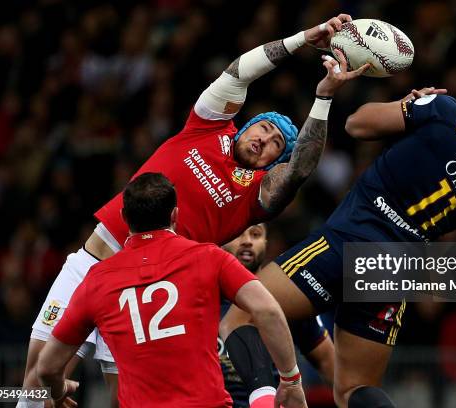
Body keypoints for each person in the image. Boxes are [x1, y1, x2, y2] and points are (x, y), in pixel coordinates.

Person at [21, 12, 369, 407]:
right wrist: (304, 38)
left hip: (144, 291)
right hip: (92, 263)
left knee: (128, 399)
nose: (265, 139)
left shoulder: (256, 194)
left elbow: (301, 167)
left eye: (275, 143)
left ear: (276, 160)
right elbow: (239, 72)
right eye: (263, 128)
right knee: (35, 380)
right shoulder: (207, 127)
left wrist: (323, 97)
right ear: (246, 125)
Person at [222, 88, 456, 407]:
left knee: (240, 315)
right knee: (352, 390)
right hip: (395, 271)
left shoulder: (452, 114)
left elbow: (357, 123)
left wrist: (410, 101)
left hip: (348, 240)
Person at [36, 172, 306, 408]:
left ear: (123, 217)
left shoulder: (96, 280)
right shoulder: (210, 257)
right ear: (175, 214)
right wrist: (290, 380)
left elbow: (47, 367)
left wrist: (59, 391)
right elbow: (267, 309)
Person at [219, 224, 335, 407]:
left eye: (256, 235)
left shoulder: (285, 300)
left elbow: (328, 363)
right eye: (238, 234)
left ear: (266, 242)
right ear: (220, 238)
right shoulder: (199, 299)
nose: (248, 241)